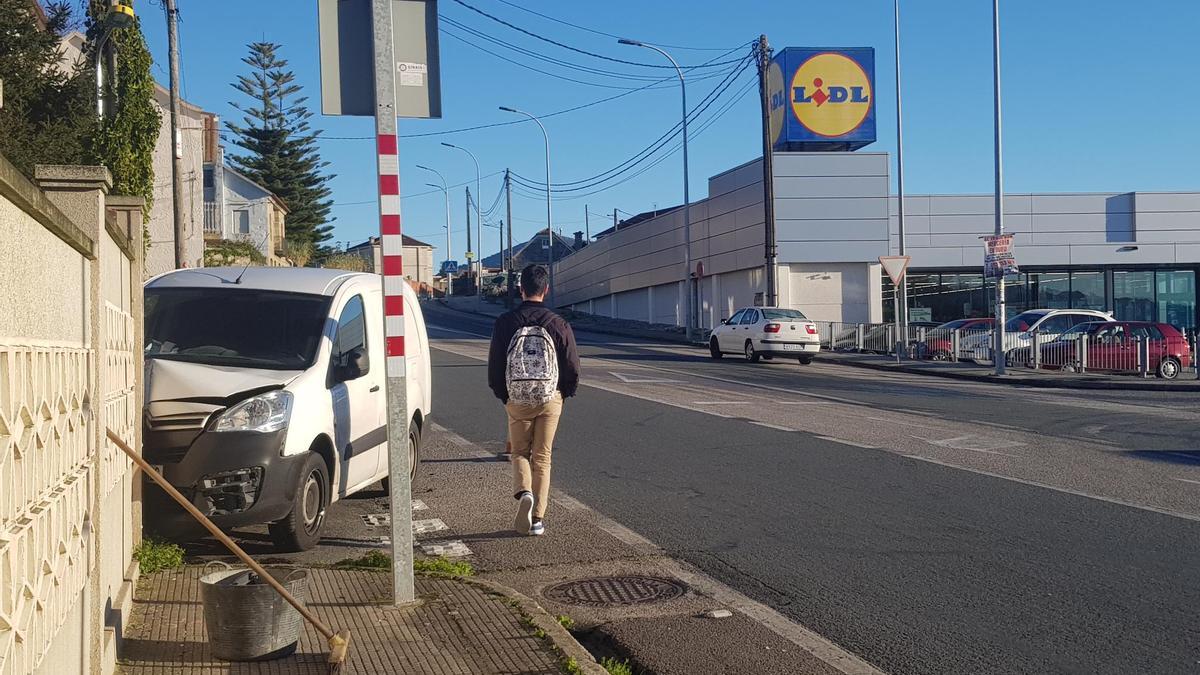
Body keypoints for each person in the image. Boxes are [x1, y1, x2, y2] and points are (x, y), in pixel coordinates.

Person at [488, 264, 580, 536]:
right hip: (551, 397)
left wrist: (503, 395)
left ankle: (523, 491)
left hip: (517, 398)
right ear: (546, 289)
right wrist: (565, 392)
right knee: (543, 457)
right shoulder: (558, 323)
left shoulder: (505, 322)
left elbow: (495, 366)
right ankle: (537, 519)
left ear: (520, 289)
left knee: (519, 453)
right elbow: (572, 365)